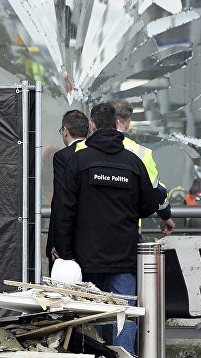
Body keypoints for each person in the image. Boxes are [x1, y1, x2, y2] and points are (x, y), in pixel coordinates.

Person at [50, 102, 169, 355]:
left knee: (86, 317)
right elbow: (149, 204)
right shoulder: (133, 162)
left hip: (86, 257)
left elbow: (64, 209)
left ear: (92, 126)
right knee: (123, 316)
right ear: (117, 125)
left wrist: (65, 251)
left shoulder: (79, 160)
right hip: (123, 255)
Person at [111, 99, 176, 234]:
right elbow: (157, 190)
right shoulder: (142, 153)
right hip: (128, 230)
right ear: (128, 124)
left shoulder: (83, 149)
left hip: (89, 234)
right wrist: (165, 215)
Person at [46, 109, 89, 265]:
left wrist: (57, 242)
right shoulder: (96, 154)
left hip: (68, 239)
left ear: (65, 131)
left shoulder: (63, 156)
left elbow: (61, 201)